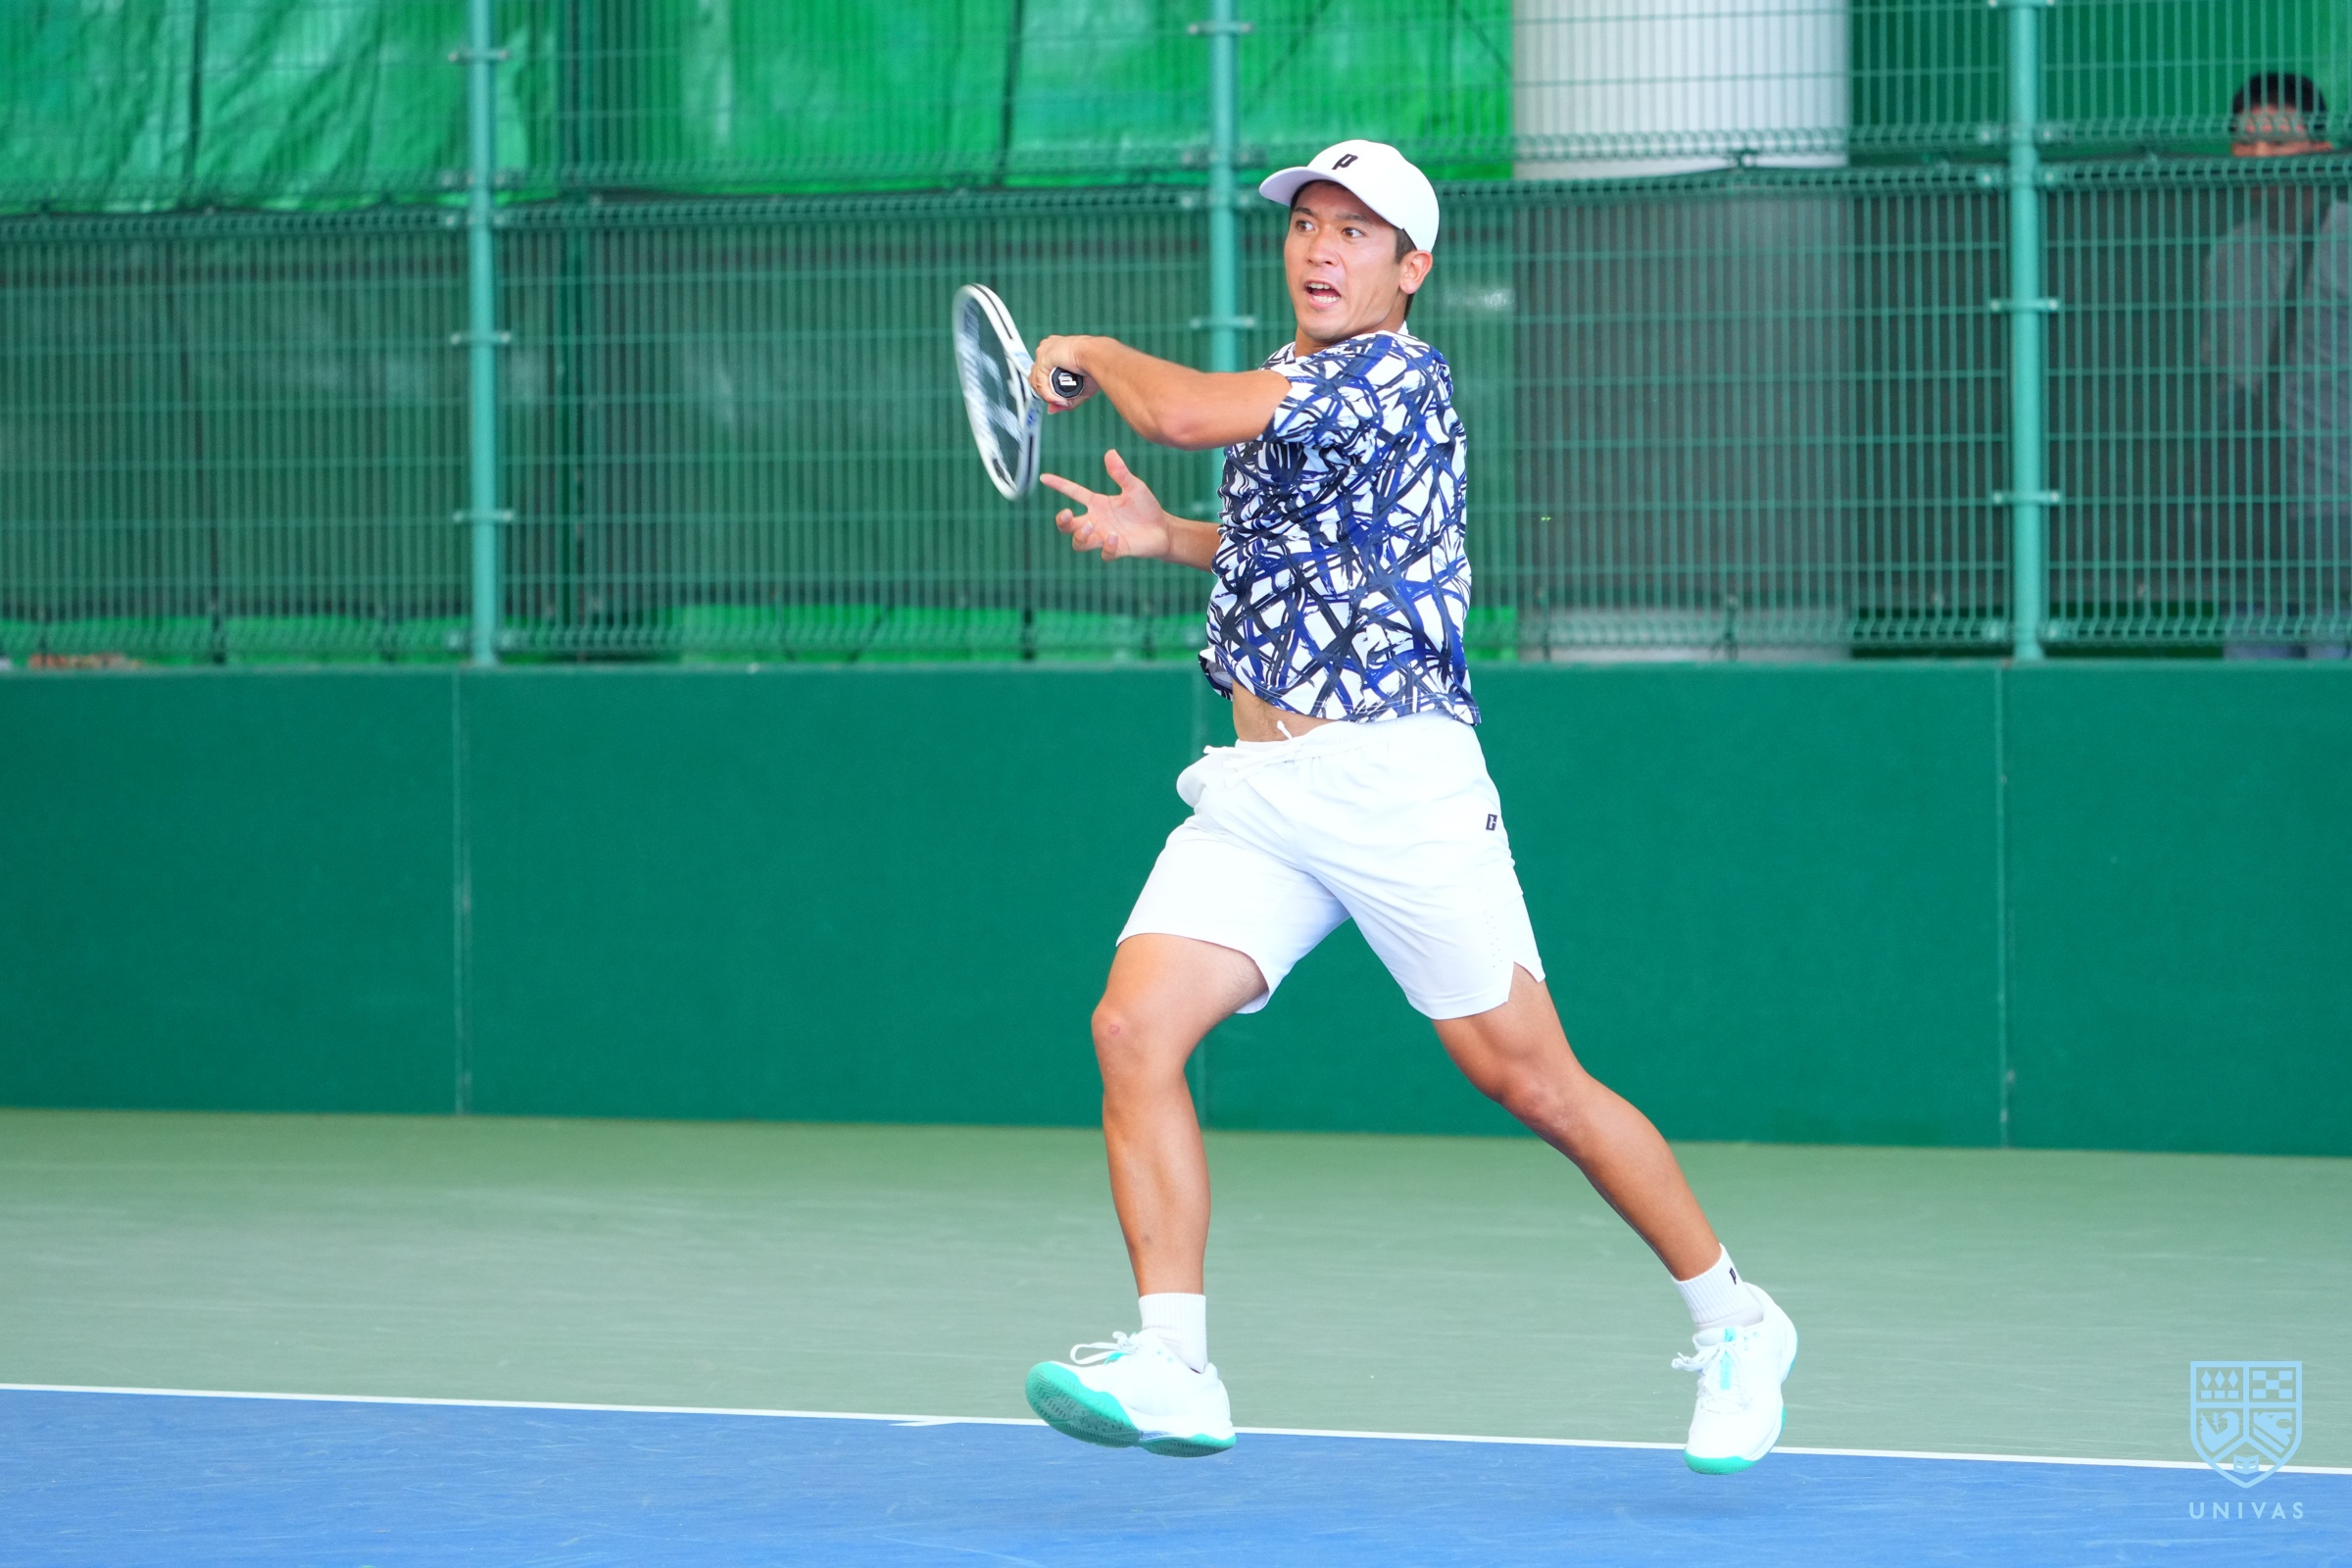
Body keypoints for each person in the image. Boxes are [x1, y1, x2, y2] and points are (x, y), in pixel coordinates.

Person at [1011, 139, 1798, 1472]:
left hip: (1394, 781)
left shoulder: (1394, 375)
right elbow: (1291, 545)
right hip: (1262, 789)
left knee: (1532, 1080)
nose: (1321, 249)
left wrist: (1090, 348)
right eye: (1306, 224)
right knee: (1133, 1027)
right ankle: (1175, 1366)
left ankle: (1738, 1320)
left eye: (1356, 232)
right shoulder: (1297, 378)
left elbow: (1181, 417)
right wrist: (1165, 538)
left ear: (1412, 268)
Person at [2201, 73, 2351, 657]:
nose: (2259, 157)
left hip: (2338, 508)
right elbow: (2222, 381)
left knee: (2329, 670)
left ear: (2321, 149)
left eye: (2278, 141)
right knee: (2251, 670)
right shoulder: (2227, 254)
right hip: (2254, 512)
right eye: (2246, 142)